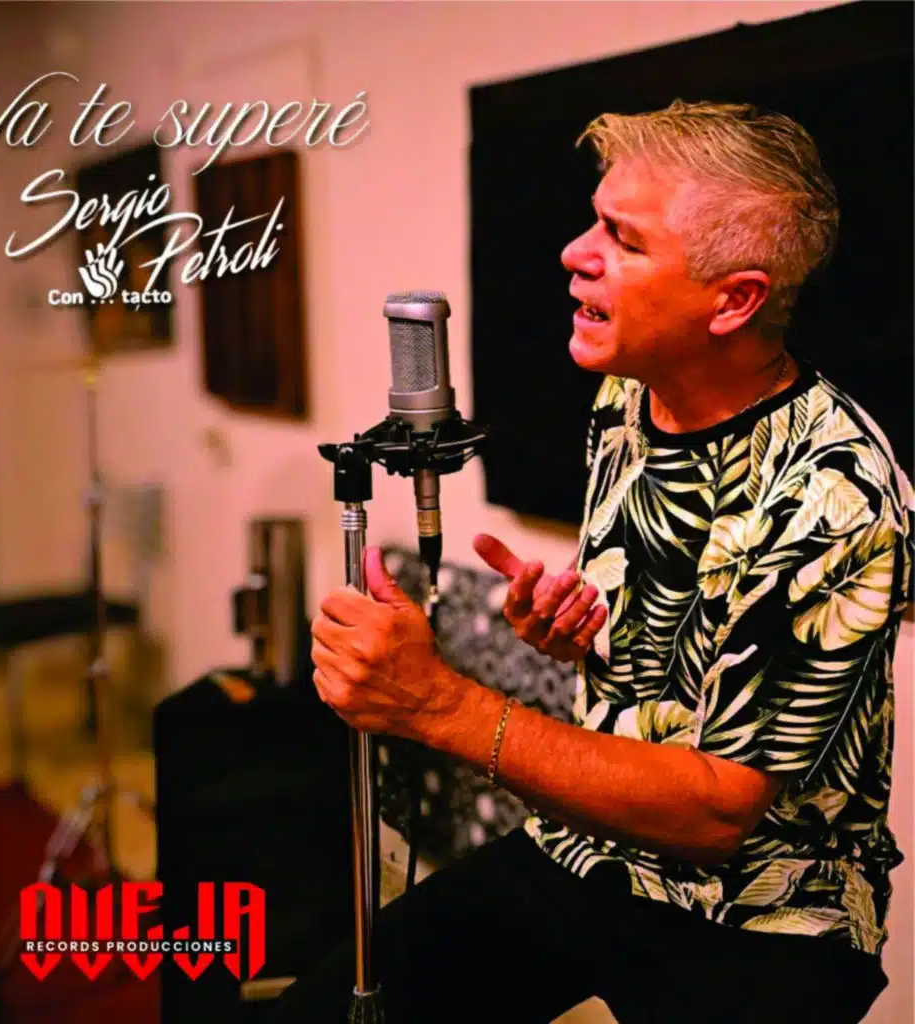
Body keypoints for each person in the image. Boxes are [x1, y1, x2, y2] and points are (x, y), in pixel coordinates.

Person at [272, 100, 914, 1023]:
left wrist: (437, 703)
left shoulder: (835, 492)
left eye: (624, 238)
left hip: (765, 914)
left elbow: (716, 812)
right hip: (590, 847)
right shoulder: (626, 396)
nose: (576, 252)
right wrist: (577, 630)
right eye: (593, 220)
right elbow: (678, 648)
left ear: (733, 300)